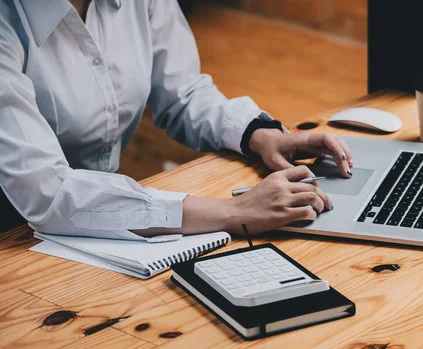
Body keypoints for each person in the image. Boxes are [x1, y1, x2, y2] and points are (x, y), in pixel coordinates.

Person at [0, 0, 354, 236]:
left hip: (100, 221)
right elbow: (50, 193)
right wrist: (234, 211)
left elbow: (182, 92)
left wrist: (258, 133)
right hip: (13, 235)